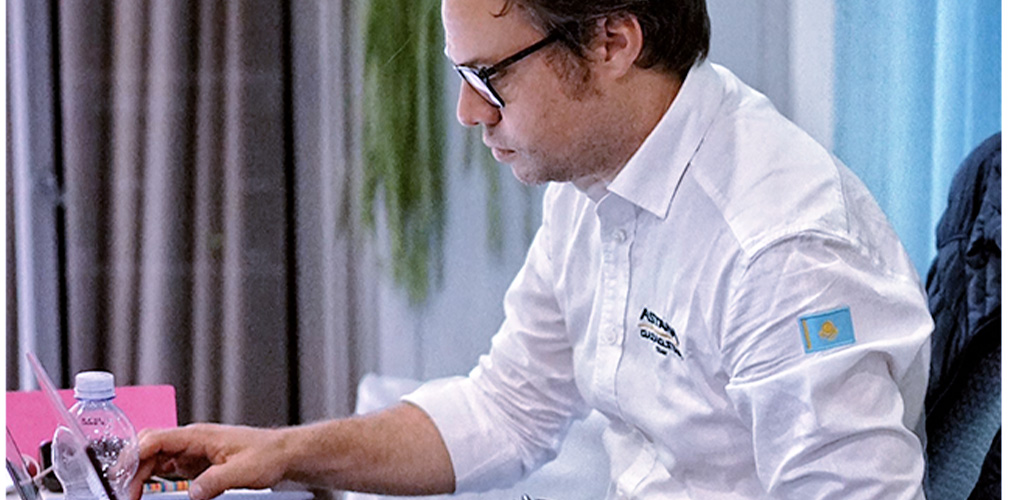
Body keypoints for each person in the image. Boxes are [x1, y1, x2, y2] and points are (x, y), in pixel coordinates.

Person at [132, 0, 933, 498]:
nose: (467, 112)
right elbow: (506, 412)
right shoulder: (594, 184)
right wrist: (281, 453)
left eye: (489, 76)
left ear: (611, 40)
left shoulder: (778, 253)